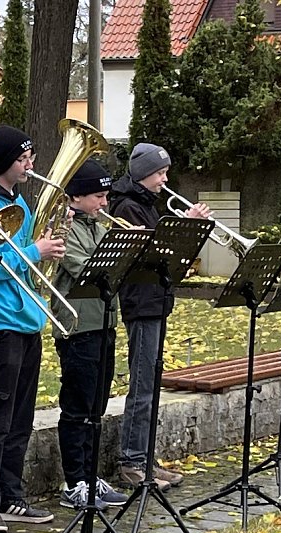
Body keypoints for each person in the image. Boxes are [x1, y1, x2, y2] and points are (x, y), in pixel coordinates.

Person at [0, 125, 66, 533]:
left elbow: (22, 258)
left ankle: (10, 495)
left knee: (20, 417)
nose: (30, 164)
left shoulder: (15, 196)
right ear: (6, 160)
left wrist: (46, 240)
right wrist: (34, 251)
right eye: (24, 158)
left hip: (27, 319)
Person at [109, 143, 210, 491]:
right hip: (141, 301)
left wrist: (186, 230)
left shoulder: (146, 205)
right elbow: (149, 252)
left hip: (156, 299)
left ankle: (145, 458)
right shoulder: (127, 207)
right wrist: (184, 227)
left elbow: (167, 253)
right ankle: (132, 461)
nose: (164, 179)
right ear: (142, 174)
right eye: (159, 173)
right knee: (142, 385)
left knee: (151, 382)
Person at [50, 159, 129, 510]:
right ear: (77, 196)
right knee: (77, 406)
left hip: (105, 321)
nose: (104, 203)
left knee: (97, 406)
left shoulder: (98, 226)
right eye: (98, 195)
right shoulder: (65, 228)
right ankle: (74, 481)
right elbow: (84, 267)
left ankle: (91, 474)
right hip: (78, 324)